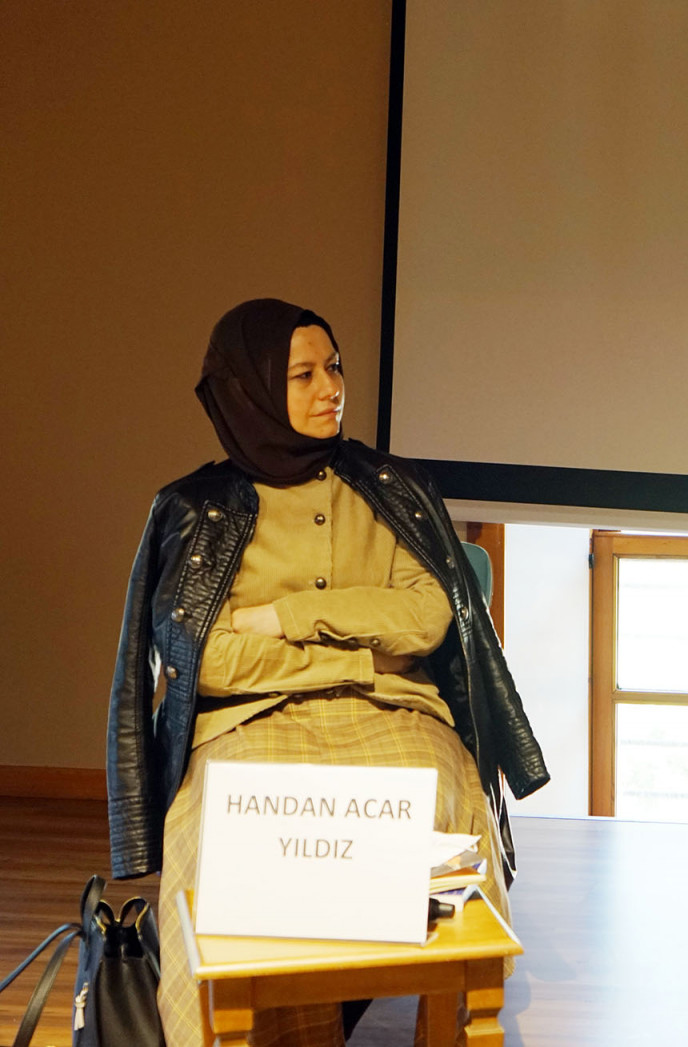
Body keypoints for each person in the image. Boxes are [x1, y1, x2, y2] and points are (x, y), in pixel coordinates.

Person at [106, 298, 550, 1046]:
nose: (331, 388)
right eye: (303, 375)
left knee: (439, 798)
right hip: (249, 725)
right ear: (248, 389)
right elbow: (207, 656)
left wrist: (289, 616)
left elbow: (426, 617)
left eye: (334, 367)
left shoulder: (392, 487)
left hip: (396, 712)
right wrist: (362, 647)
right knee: (218, 831)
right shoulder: (192, 508)